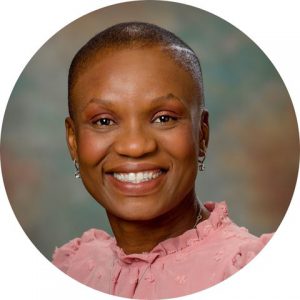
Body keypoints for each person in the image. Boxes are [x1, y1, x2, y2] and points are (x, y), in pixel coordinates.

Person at [52, 22, 272, 299]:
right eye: (104, 121)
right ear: (73, 141)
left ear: (202, 134)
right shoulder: (72, 267)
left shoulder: (250, 271)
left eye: (164, 118)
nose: (135, 146)